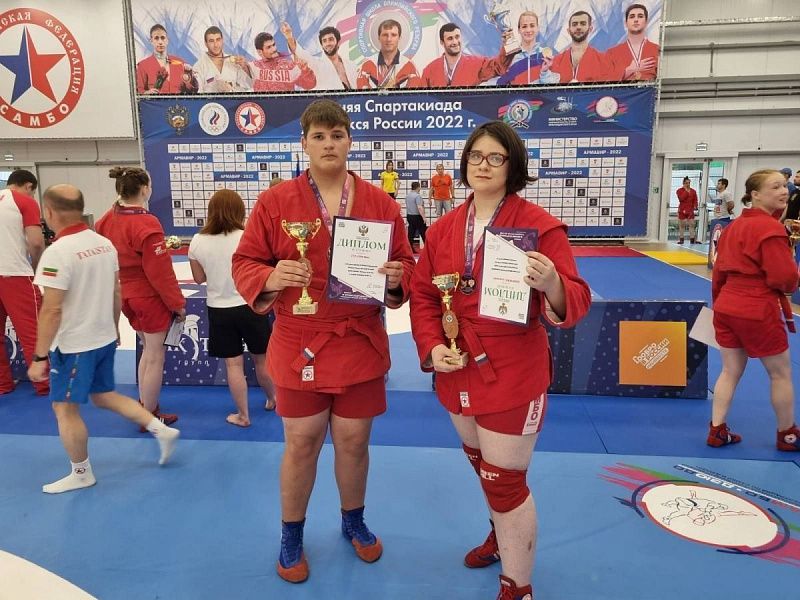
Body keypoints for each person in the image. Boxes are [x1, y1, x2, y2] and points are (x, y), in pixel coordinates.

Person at [231, 99, 415, 583]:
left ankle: (353, 520)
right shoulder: (276, 202)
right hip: (301, 338)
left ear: (350, 141)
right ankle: (291, 533)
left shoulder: (380, 203)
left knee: (354, 442)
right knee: (302, 442)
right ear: (304, 144)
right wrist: (271, 277)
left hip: (358, 339)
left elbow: (406, 265)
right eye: (319, 136)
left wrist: (397, 278)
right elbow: (244, 261)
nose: (329, 144)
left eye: (337, 135)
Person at [409, 121, 591, 599]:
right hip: (457, 365)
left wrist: (552, 282)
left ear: (514, 166)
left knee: (505, 482)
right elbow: (424, 296)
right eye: (476, 156)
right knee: (484, 468)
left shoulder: (540, 226)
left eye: (495, 157)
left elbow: (576, 299)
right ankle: (500, 534)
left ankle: (518, 586)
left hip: (512, 369)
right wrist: (432, 346)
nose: (483, 165)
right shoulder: (444, 229)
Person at [27, 185, 180, 494]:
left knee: (64, 408)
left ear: (49, 212)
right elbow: (115, 291)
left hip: (74, 344)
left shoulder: (57, 252)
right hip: (102, 338)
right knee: (103, 396)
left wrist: (40, 356)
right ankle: (159, 428)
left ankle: (81, 472)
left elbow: (52, 309)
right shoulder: (103, 244)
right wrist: (113, 329)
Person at [708, 169, 800, 452]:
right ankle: (788, 435)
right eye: (775, 186)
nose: (783, 191)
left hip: (727, 304)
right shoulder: (770, 230)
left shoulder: (733, 227)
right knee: (780, 374)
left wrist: (718, 306)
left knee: (729, 371)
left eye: (784, 185)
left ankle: (717, 430)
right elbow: (785, 279)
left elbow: (718, 273)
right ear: (756, 194)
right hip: (757, 307)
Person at [95, 167, 184, 428]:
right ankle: (149, 416)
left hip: (125, 294)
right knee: (155, 356)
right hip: (148, 296)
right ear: (144, 189)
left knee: (147, 351)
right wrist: (177, 304)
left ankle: (146, 408)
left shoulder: (105, 220)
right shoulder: (146, 223)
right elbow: (160, 272)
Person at [188, 189, 276, 426]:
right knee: (262, 360)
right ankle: (273, 399)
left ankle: (243, 415)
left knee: (233, 365)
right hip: (250, 304)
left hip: (219, 309)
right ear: (239, 210)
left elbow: (198, 278)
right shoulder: (247, 236)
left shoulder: (197, 241)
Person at [0, 169, 48, 396]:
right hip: (15, 274)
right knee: (33, 332)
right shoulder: (24, 202)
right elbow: (36, 243)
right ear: (28, 186)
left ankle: (3, 384)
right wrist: (38, 271)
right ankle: (44, 384)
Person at [413, 22, 511, 88]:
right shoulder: (430, 70)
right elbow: (421, 100)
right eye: (450, 38)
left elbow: (498, 67)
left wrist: (507, 46)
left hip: (467, 112)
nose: (455, 42)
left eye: (457, 37)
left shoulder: (475, 64)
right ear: (442, 42)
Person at [282, 24, 358, 90]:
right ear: (322, 45)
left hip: (353, 101)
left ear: (338, 42)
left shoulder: (351, 65)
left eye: (331, 39)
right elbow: (299, 53)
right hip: (328, 101)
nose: (328, 43)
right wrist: (289, 37)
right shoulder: (317, 64)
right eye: (324, 41)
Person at [496, 11, 559, 86]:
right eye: (524, 26)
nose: (528, 30)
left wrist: (545, 72)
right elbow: (501, 83)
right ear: (519, 30)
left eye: (532, 26)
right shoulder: (511, 57)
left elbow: (553, 87)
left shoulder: (546, 56)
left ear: (538, 29)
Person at [356, 19, 420, 89]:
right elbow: (362, 93)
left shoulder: (409, 66)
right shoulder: (367, 64)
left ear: (399, 38)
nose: (389, 39)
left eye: (393, 35)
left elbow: (413, 94)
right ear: (379, 38)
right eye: (385, 35)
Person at [550, 11, 612, 83]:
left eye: (583, 24)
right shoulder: (556, 62)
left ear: (590, 29)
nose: (578, 27)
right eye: (574, 24)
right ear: (568, 31)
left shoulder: (602, 61)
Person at [136, 24, 198, 94]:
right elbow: (138, 92)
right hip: (155, 101)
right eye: (156, 38)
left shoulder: (180, 63)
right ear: (151, 41)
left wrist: (190, 77)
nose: (160, 42)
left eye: (163, 38)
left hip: (179, 101)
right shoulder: (143, 66)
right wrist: (146, 93)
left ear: (167, 40)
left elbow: (192, 91)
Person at [606, 4, 660, 81]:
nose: (636, 20)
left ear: (646, 22)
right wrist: (628, 71)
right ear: (625, 23)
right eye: (632, 17)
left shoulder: (657, 50)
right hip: (622, 89)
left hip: (648, 89)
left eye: (640, 16)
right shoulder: (612, 53)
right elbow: (606, 80)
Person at [249, 30, 316, 93]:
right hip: (263, 101)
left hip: (287, 101)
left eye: (274, 45)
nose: (274, 49)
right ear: (260, 52)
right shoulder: (254, 67)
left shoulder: (288, 65)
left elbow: (310, 85)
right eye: (269, 47)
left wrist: (305, 70)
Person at [193, 26, 253, 93]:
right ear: (206, 43)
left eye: (218, 40)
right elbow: (197, 93)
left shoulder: (234, 62)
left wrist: (245, 68)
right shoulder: (199, 67)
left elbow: (249, 87)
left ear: (222, 40)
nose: (216, 45)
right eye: (211, 41)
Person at [676, 176, 698, 244]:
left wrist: (695, 206)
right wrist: (686, 191)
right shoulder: (679, 190)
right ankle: (681, 239)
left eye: (689, 183)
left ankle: (692, 239)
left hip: (690, 210)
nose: (688, 184)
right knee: (682, 225)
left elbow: (695, 200)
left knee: (692, 224)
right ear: (683, 183)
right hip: (682, 209)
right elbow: (681, 199)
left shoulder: (693, 191)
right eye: (686, 183)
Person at [405, 181, 427, 250]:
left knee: (411, 233)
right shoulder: (417, 196)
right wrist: (424, 217)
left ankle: (409, 249)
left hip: (409, 216)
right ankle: (428, 249)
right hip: (417, 216)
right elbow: (419, 207)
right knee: (423, 233)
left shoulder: (407, 196)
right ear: (418, 187)